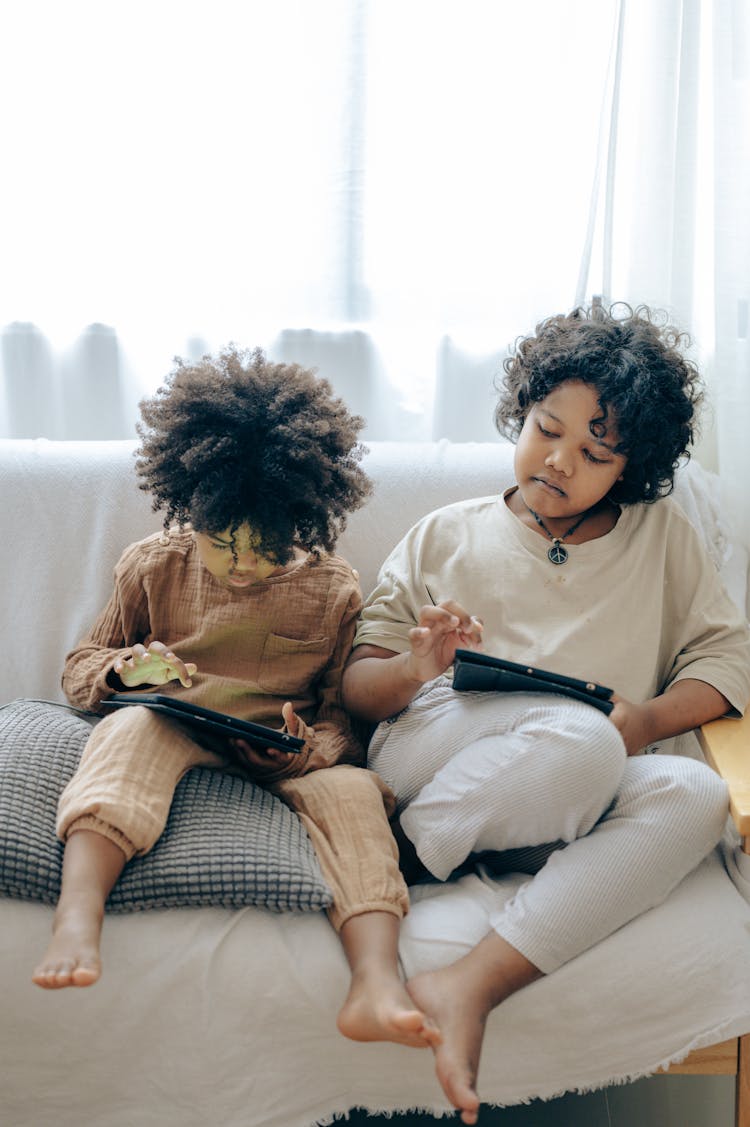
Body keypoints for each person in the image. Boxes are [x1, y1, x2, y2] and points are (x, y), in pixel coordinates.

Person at [341, 302, 750, 1123]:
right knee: (581, 738)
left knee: (694, 795)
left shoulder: (663, 540)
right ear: (520, 414)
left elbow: (727, 661)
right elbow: (356, 685)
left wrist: (647, 723)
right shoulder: (444, 534)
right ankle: (408, 856)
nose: (559, 461)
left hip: (580, 779)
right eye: (544, 428)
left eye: (594, 452)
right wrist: (417, 666)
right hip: (433, 761)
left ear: (628, 470)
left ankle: (472, 982)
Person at [31, 346, 440, 1051]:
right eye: (225, 544)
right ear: (192, 511)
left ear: (306, 523)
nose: (246, 564)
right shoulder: (154, 564)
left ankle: (375, 978)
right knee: (127, 736)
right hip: (173, 725)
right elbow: (80, 668)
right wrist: (126, 672)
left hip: (281, 752)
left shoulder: (336, 589)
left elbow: (342, 715)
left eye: (269, 547)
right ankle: (78, 912)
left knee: (354, 795)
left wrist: (307, 746)